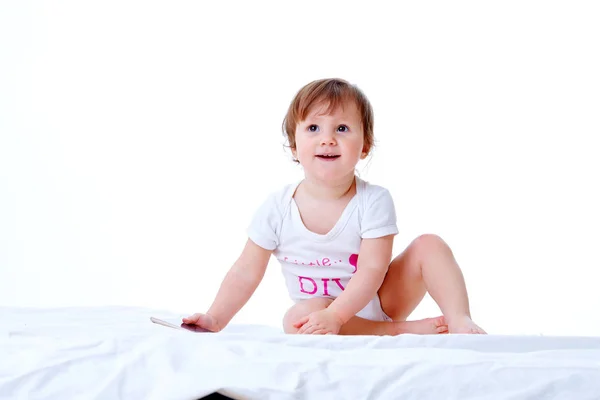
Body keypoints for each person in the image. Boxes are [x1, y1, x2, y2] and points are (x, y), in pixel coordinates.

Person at [183, 78, 486, 335]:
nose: (327, 139)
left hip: (379, 300)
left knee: (430, 245)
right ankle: (398, 331)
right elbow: (246, 271)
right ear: (293, 146)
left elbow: (371, 269)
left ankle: (459, 319)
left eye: (341, 129)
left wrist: (337, 316)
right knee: (295, 318)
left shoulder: (374, 200)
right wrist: (215, 318)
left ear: (365, 146)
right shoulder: (277, 208)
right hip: (316, 313)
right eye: (313, 128)